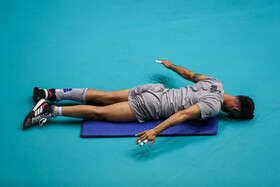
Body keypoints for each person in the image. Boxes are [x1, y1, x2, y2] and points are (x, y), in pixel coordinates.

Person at [23, 60, 255, 147]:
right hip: (151, 107)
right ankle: (49, 109)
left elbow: (190, 74)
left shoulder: (217, 82)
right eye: (233, 116)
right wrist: (155, 130)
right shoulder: (213, 107)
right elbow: (184, 115)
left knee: (103, 96)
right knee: (99, 113)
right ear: (234, 110)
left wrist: (170, 65)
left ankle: (51, 93)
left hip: (153, 91)